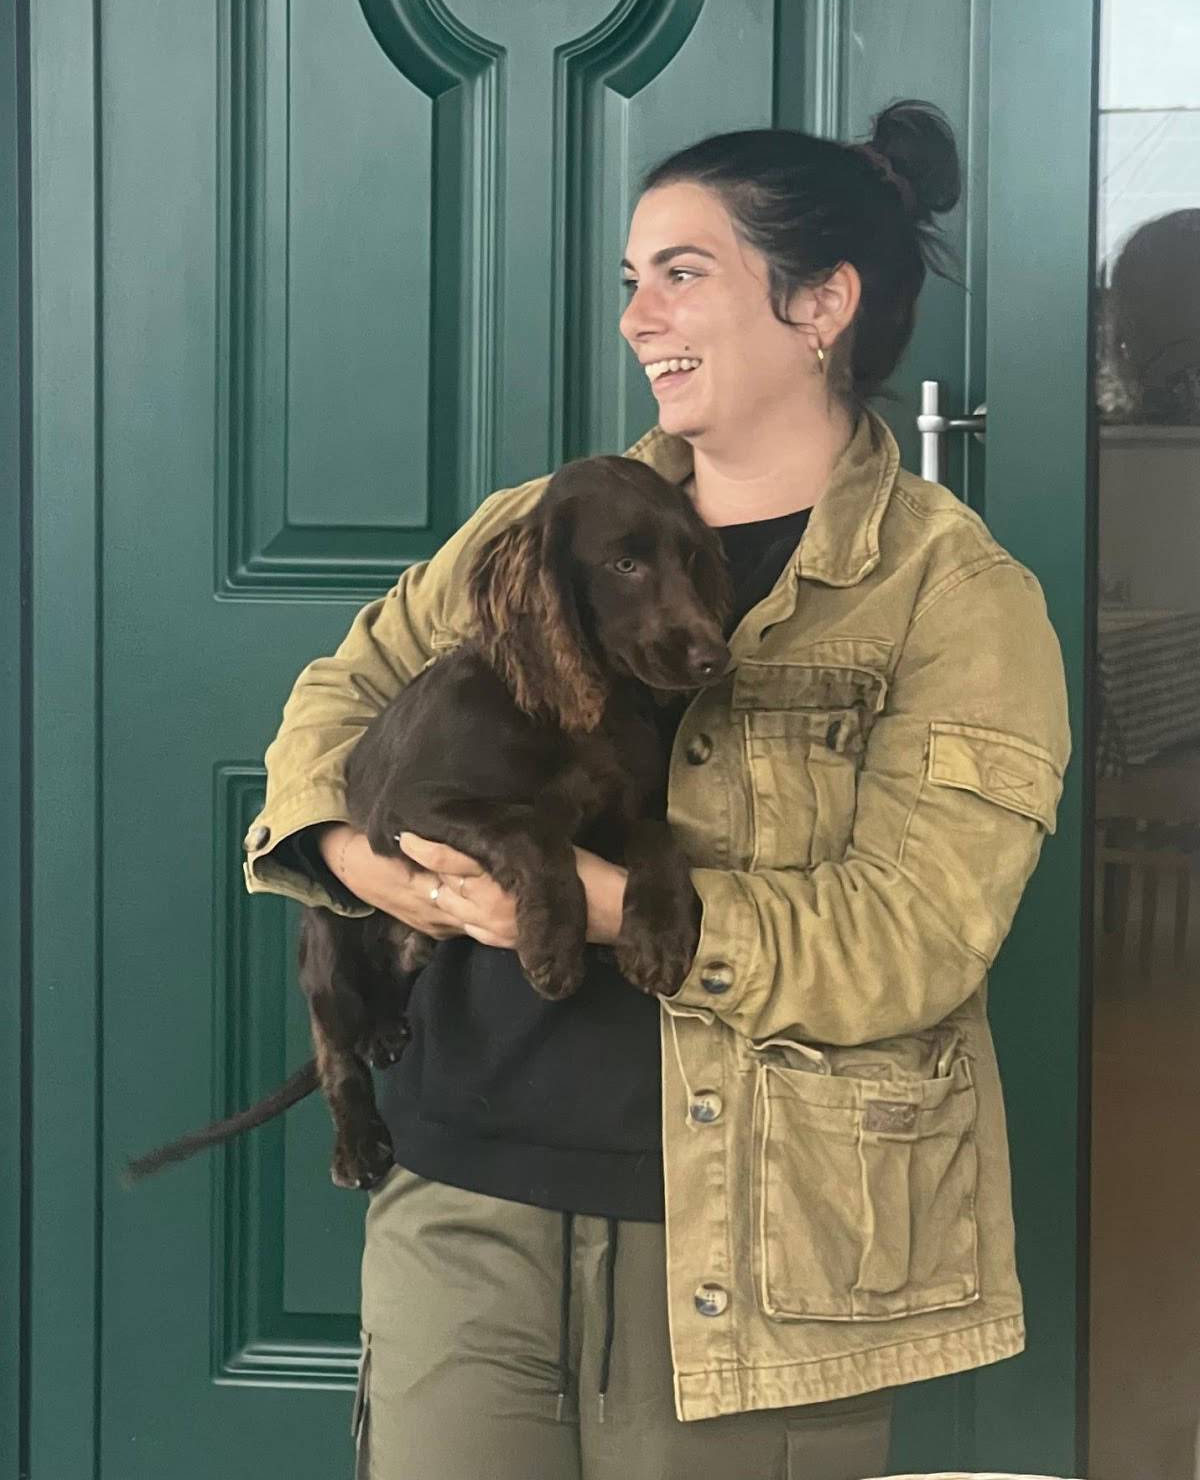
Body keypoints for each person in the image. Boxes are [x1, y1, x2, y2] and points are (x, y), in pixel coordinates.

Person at [243, 100, 1070, 1480]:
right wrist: (352, 853)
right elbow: (342, 692)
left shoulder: (955, 595)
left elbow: (919, 936)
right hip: (460, 1198)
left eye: (682, 274)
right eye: (633, 280)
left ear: (820, 303)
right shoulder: (543, 522)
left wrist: (610, 903)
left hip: (765, 1236)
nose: (637, 318)